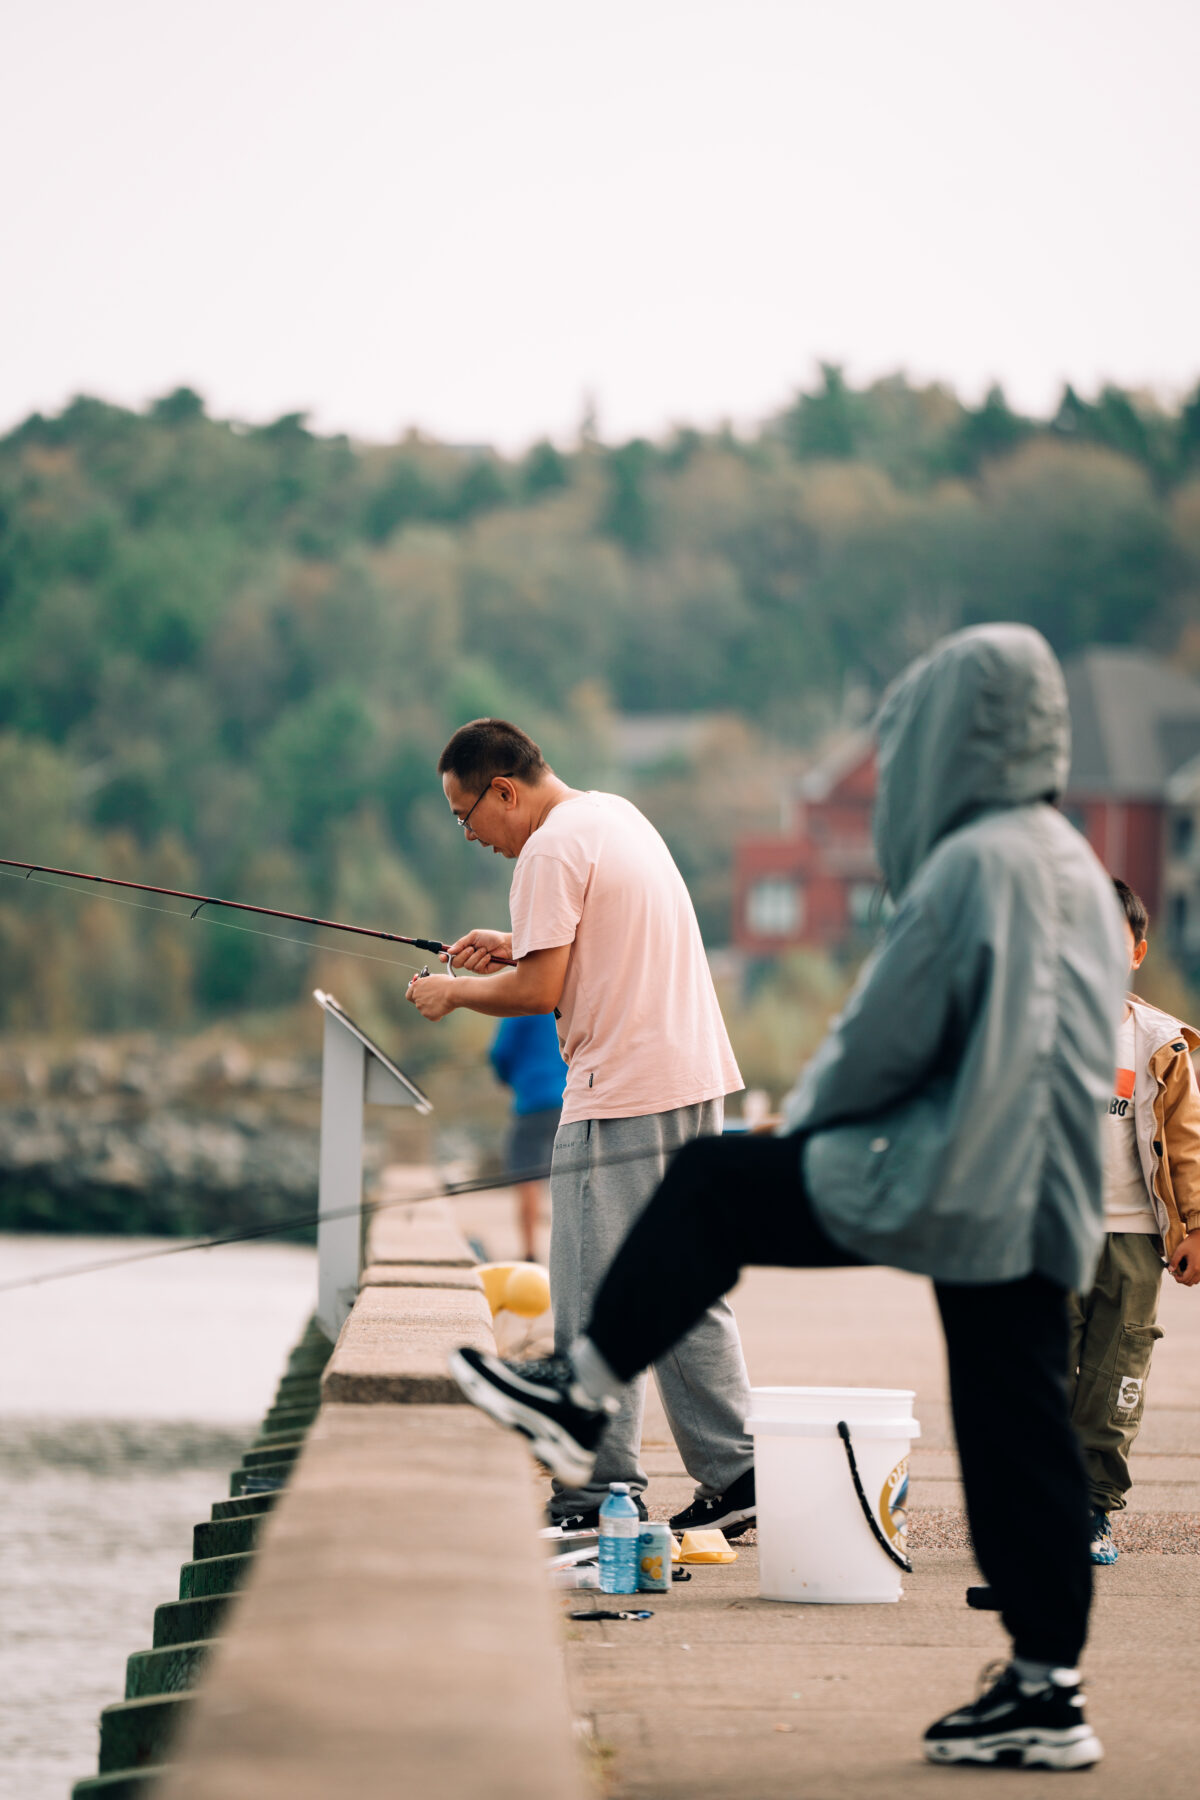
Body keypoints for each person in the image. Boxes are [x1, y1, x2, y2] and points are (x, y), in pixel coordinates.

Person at [451, 625, 1129, 1771]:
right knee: (1023, 1439)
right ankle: (1045, 1690)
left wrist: (802, 1138)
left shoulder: (971, 864)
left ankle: (580, 1394)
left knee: (716, 1183)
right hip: (1046, 1195)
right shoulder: (1068, 858)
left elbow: (883, 1036)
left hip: (954, 1178)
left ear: (952, 745)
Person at [406, 717, 757, 1535]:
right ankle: (739, 1474)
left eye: (467, 816)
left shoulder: (548, 850)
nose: (470, 835)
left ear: (504, 790)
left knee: (592, 1293)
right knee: (678, 1283)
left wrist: (451, 993)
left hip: (624, 1088)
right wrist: (514, 943)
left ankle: (597, 1493)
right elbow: (571, 959)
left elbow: (537, 993)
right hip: (694, 1077)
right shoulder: (612, 816)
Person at [1068, 877, 1200, 1566]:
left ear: (1137, 953)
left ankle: (1093, 1510)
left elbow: (1186, 1143)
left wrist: (1196, 1228)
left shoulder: (1159, 1043)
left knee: (1117, 1373)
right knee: (1042, 1373)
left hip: (1133, 1237)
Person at [489, 1012, 566, 1263]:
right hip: (571, 1099)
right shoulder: (561, 997)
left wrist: (509, 1078)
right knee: (569, 1173)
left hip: (533, 1101)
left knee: (528, 1176)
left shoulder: (519, 1004)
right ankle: (568, 1250)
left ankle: (531, 1251)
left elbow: (500, 1053)